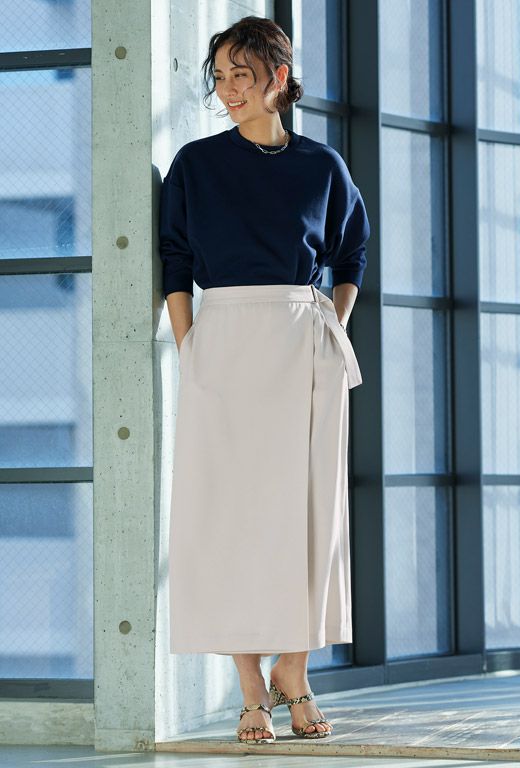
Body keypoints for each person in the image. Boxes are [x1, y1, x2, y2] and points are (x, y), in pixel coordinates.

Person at [158, 15, 370, 744]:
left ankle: (295, 669)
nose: (228, 90)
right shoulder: (195, 164)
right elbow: (174, 258)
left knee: (310, 513)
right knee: (230, 516)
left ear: (279, 77)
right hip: (223, 344)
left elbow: (352, 253)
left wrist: (330, 325)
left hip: (303, 343)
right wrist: (191, 347)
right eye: (219, 77)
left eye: (241, 75)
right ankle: (251, 685)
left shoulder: (323, 166)